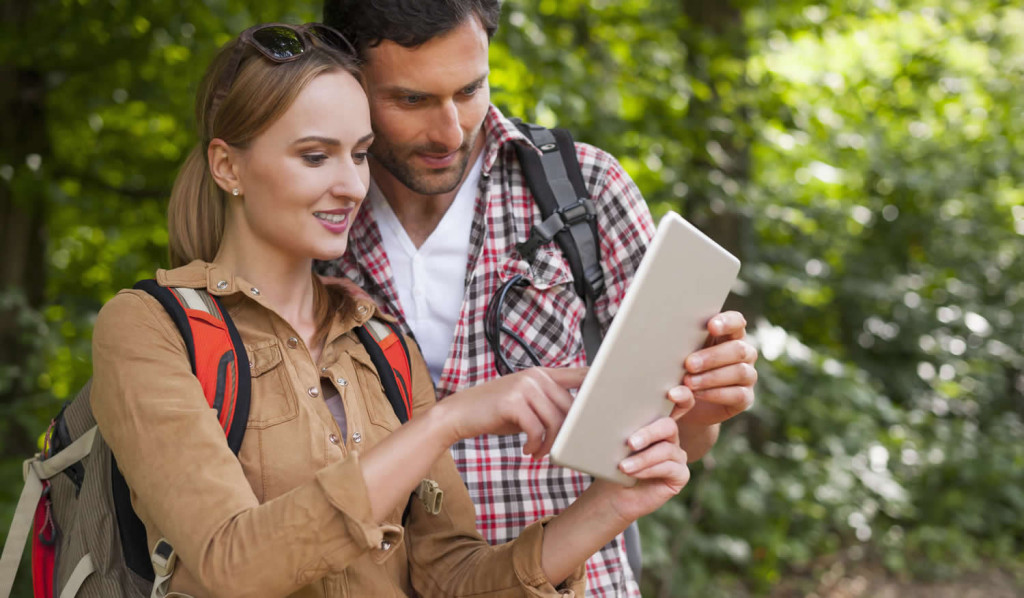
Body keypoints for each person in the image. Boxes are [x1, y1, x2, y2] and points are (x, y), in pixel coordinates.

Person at [91, 22, 692, 598]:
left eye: (358, 154)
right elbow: (230, 565)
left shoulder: (381, 342)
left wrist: (614, 501)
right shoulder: (151, 327)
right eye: (314, 156)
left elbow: (453, 580)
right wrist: (446, 421)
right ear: (228, 166)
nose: (353, 185)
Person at [316, 1, 760, 595]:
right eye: (412, 100)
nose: (450, 130)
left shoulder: (585, 192)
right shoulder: (313, 217)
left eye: (471, 90)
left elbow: (682, 441)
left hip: (579, 582)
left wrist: (704, 403)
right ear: (348, 77)